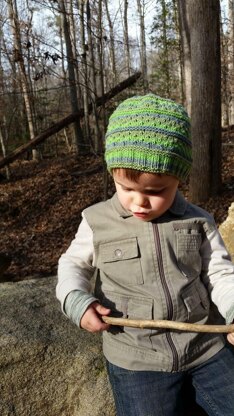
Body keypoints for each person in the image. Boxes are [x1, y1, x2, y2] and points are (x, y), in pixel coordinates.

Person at [57, 94, 234, 416]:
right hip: (136, 358)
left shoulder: (197, 220)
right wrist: (75, 299)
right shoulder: (97, 220)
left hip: (205, 347)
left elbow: (219, 272)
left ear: (180, 179)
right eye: (126, 188)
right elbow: (73, 264)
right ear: (113, 174)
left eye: (155, 192)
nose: (139, 203)